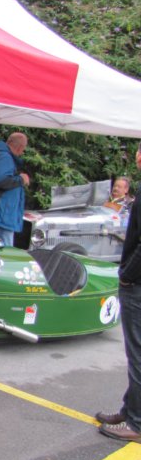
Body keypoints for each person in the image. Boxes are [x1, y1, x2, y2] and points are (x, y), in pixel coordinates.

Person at [96, 142, 141, 442]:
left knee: (137, 353)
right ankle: (130, 409)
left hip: (137, 284)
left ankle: (136, 422)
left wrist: (126, 276)